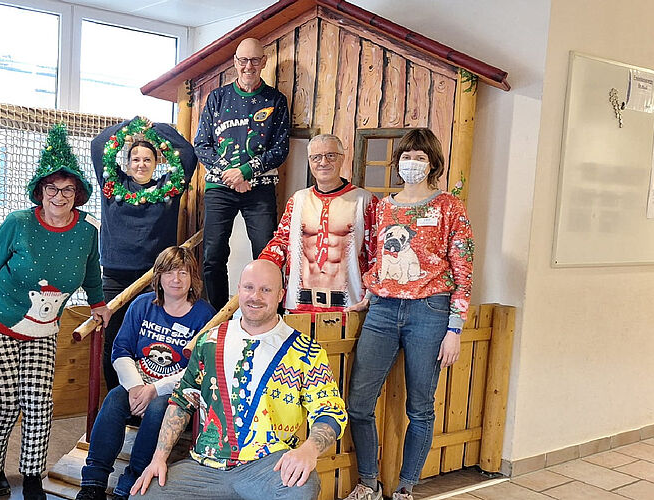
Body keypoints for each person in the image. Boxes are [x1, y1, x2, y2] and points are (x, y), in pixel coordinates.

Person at [0, 123, 112, 499]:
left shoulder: (88, 231)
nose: (59, 196)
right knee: (8, 403)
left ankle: (31, 477)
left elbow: (92, 271)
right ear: (40, 191)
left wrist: (98, 303)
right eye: (52, 188)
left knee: (40, 403)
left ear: (78, 193)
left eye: (67, 189)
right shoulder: (19, 223)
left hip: (43, 330)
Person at [131, 260, 347, 500]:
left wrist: (309, 450)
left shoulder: (306, 351)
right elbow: (182, 400)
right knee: (144, 496)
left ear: (280, 295)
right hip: (205, 467)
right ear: (239, 290)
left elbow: (330, 410)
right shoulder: (209, 341)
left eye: (266, 289)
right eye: (248, 288)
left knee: (301, 487)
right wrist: (158, 458)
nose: (255, 296)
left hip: (267, 468)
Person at [342, 128, 474, 500]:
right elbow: (376, 256)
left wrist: (455, 328)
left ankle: (405, 487)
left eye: (420, 157)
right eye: (406, 156)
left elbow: (463, 269)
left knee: (420, 406)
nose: (411, 163)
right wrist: (368, 293)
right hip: (382, 310)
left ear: (433, 163)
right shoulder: (383, 206)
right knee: (359, 404)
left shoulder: (449, 206)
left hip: (430, 311)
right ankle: (368, 482)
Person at [76, 246, 215, 500]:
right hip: (139, 381)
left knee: (159, 407)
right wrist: (135, 387)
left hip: (176, 390)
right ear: (158, 277)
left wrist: (155, 389)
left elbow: (197, 368)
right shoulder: (142, 305)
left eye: (183, 273)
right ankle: (93, 482)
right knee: (113, 400)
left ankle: (132, 482)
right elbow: (121, 349)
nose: (176, 279)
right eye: (169, 272)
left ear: (193, 278)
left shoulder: (205, 315)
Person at [90, 116, 198, 391]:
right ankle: (119, 396)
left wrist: (154, 128)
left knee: (151, 341)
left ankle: (147, 395)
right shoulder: (112, 185)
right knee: (115, 340)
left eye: (147, 159)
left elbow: (187, 154)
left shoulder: (169, 189)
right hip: (115, 277)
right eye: (135, 159)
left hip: (155, 278)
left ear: (156, 163)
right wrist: (132, 124)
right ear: (127, 163)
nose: (141, 164)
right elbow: (98, 144)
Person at [194, 37, 292, 310]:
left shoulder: (276, 100)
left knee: (267, 254)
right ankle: (217, 315)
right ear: (235, 62)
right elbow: (201, 145)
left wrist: (247, 172)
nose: (248, 66)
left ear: (264, 62)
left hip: (260, 188)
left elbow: (280, 149)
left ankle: (269, 313)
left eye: (254, 60)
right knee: (213, 254)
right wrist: (231, 174)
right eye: (243, 60)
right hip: (219, 187)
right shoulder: (217, 98)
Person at [260, 134, 378, 313]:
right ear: (310, 161)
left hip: (349, 307)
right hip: (299, 306)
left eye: (330, 155)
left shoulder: (365, 201)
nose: (323, 162)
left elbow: (377, 255)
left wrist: (370, 296)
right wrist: (262, 267)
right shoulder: (297, 200)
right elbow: (281, 242)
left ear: (342, 158)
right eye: (316, 157)